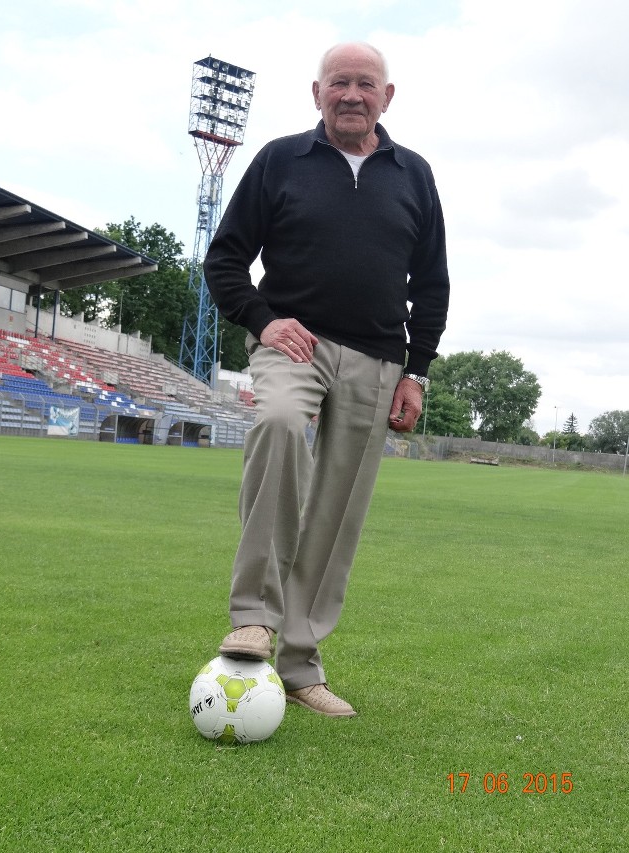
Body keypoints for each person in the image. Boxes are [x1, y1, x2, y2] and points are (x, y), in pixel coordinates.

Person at [203, 42, 450, 718]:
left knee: (340, 506)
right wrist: (262, 317)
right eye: (338, 82)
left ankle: (301, 663)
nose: (351, 94)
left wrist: (417, 372)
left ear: (386, 97)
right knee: (279, 422)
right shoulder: (281, 160)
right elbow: (224, 259)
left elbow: (430, 285)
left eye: (364, 84)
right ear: (317, 93)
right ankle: (253, 615)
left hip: (379, 359)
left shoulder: (415, 175)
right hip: (295, 343)